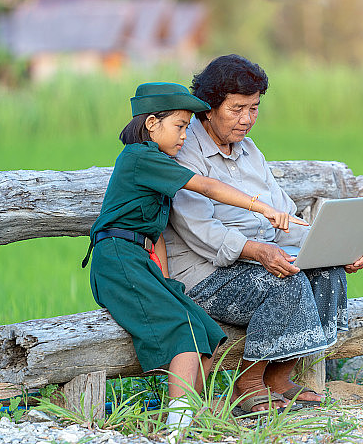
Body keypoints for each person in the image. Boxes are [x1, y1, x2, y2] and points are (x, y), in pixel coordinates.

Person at [82, 82, 307, 428]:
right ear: (152, 124)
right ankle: (178, 425)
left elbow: (154, 234)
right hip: (118, 260)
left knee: (204, 329)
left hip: (139, 260)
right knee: (184, 328)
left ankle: (194, 414)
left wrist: (168, 283)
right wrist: (259, 207)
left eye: (188, 126)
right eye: (180, 126)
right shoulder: (141, 157)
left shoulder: (156, 164)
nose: (186, 135)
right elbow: (207, 185)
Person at [164, 55, 363, 414]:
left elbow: (284, 214)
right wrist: (259, 252)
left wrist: (336, 249)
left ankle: (278, 379)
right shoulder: (184, 151)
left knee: (327, 272)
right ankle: (248, 383)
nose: (247, 119)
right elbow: (202, 233)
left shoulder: (249, 150)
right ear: (208, 108)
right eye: (237, 108)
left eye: (254, 108)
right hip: (203, 274)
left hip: (255, 262)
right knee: (284, 282)